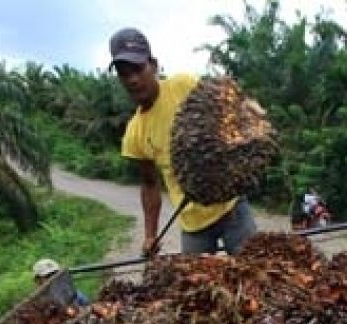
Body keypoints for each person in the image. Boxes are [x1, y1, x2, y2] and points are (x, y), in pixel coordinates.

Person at [109, 27, 257, 256]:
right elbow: (150, 185)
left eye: (138, 69)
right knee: (195, 288)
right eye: (124, 74)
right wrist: (150, 235)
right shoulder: (134, 133)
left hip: (231, 208)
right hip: (192, 224)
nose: (133, 79)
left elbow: (225, 112)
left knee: (257, 272)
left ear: (154, 65)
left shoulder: (183, 86)